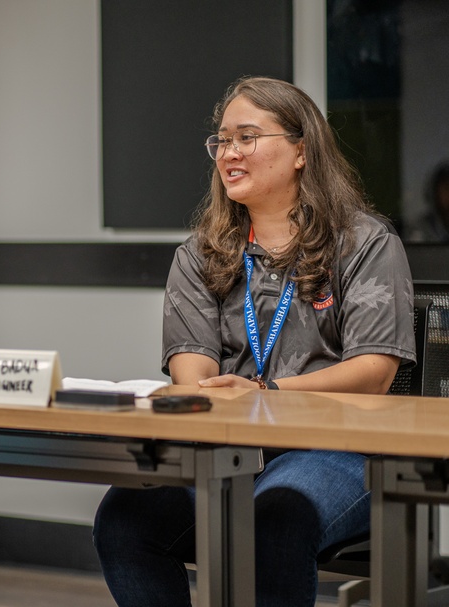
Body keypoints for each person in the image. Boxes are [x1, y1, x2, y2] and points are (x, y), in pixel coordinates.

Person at [93, 76, 415, 607]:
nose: (228, 153)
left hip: (337, 448)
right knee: (126, 518)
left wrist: (268, 394)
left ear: (301, 152)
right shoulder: (200, 254)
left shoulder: (365, 243)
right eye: (221, 141)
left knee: (273, 521)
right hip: (226, 449)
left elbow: (373, 371)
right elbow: (193, 375)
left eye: (247, 137)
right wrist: (220, 397)